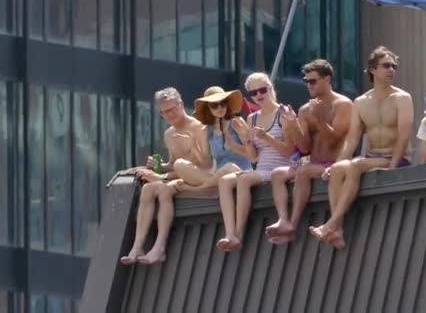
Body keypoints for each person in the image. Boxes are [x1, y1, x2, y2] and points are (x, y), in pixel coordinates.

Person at [309, 46, 414, 249]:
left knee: (356, 165)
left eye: (394, 66)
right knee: (339, 169)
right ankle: (337, 230)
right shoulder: (361, 102)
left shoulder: (402, 98)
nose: (391, 69)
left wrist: (392, 166)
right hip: (372, 157)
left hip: (397, 158)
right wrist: (336, 164)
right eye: (386, 66)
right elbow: (352, 139)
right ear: (373, 69)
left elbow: (404, 135)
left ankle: (331, 224)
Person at [120, 87, 212, 265]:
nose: (168, 115)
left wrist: (161, 176)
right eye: (164, 113)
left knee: (162, 189)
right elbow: (173, 163)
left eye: (171, 110)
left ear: (181, 104)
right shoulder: (169, 134)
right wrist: (158, 166)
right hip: (179, 176)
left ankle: (160, 246)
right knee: (147, 188)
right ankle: (137, 246)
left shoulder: (199, 128)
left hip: (202, 177)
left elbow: (206, 164)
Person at [265, 59, 352, 244]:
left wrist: (317, 119)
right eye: (306, 81)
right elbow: (304, 148)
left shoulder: (343, 105)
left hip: (334, 165)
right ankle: (283, 220)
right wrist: (293, 124)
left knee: (304, 171)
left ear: (327, 80)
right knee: (277, 174)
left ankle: (292, 226)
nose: (308, 85)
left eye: (312, 81)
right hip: (313, 164)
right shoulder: (305, 109)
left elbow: (335, 139)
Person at [216, 72, 295, 252]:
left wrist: (266, 136)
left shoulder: (283, 113)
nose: (259, 95)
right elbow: (253, 157)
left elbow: (290, 150)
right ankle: (229, 233)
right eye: (253, 93)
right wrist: (245, 139)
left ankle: (238, 235)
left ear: (270, 89)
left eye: (262, 90)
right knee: (224, 180)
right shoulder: (252, 118)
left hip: (281, 167)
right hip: (261, 168)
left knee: (244, 179)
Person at [173, 86, 253, 192]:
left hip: (240, 172)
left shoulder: (237, 122)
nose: (220, 108)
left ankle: (199, 189)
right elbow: (207, 164)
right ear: (208, 108)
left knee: (230, 167)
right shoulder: (206, 131)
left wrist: (234, 145)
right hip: (218, 175)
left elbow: (252, 156)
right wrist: (193, 146)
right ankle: (210, 184)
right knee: (179, 164)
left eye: (223, 103)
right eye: (214, 105)